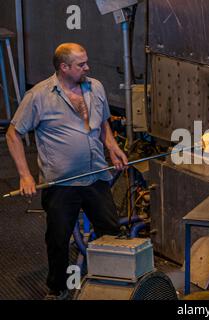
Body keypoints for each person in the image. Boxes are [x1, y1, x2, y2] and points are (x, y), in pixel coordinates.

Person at [6, 43, 128, 300]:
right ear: (64, 67)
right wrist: (25, 174)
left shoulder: (95, 87)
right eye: (81, 64)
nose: (88, 67)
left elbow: (103, 122)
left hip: (96, 176)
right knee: (59, 239)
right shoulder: (39, 96)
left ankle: (115, 285)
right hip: (61, 183)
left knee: (111, 233)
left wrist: (113, 146)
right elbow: (13, 134)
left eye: (86, 62)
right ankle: (57, 288)